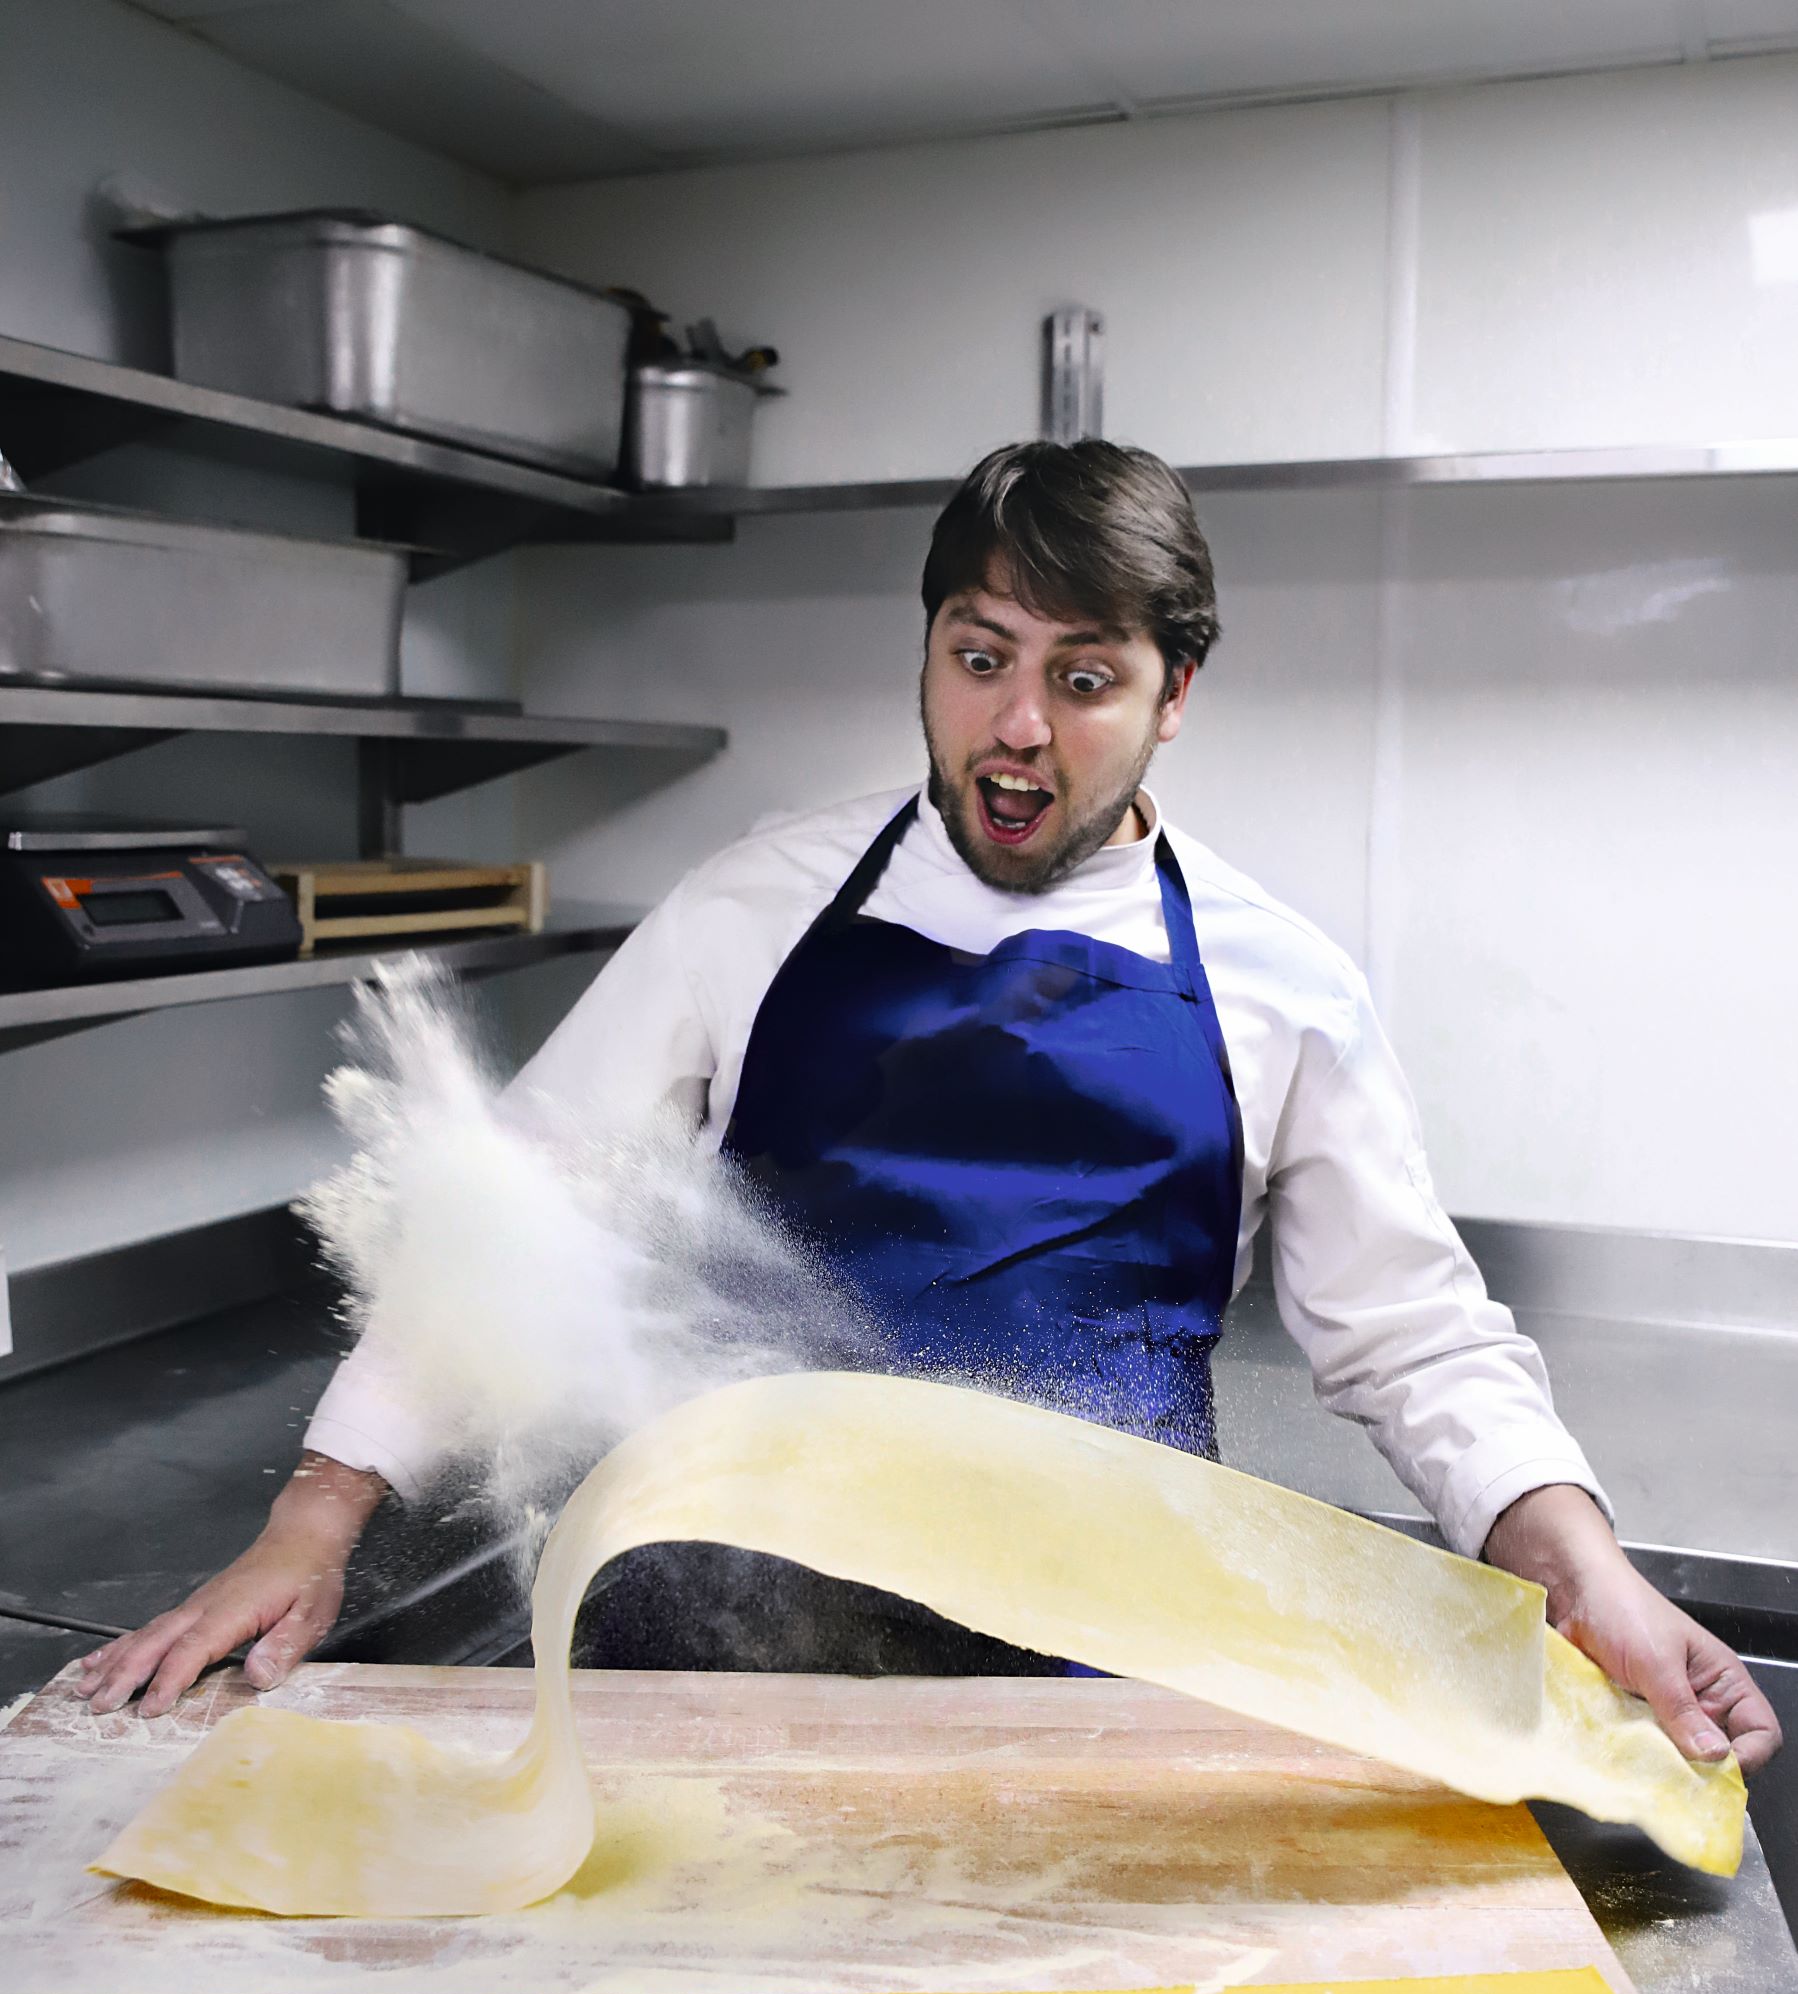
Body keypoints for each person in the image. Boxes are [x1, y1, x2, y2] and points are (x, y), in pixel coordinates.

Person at [77, 441, 1780, 1774]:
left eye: (1084, 677)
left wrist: (1584, 1572)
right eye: (979, 658)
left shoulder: (1279, 985)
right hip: (711, 1661)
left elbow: (1413, 1339)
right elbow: (506, 1211)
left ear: (1174, 694)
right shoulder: (754, 910)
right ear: (930, 651)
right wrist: (313, 1519)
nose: (1016, 728)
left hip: (1101, 1674)